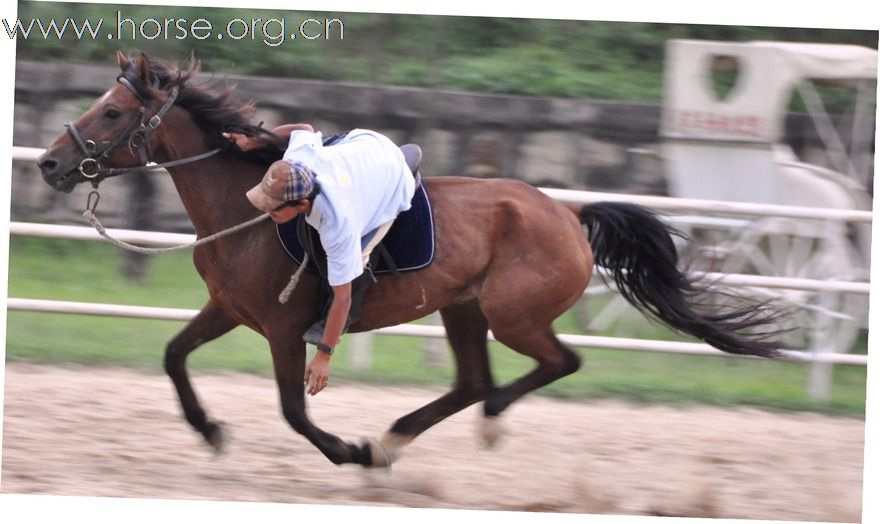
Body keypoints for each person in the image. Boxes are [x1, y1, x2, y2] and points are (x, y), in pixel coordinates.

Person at [224, 124, 416, 396]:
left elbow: (343, 298)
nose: (267, 212)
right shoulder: (297, 158)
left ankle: (330, 326)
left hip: (392, 177)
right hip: (365, 141)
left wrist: (324, 355)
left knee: (357, 261)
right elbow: (303, 129)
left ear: (302, 205)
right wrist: (253, 141)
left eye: (273, 208)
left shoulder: (339, 225)